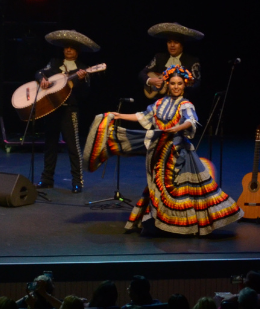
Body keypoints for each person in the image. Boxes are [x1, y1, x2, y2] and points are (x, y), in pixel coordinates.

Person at [85, 65, 242, 236]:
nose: (176, 87)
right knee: (158, 187)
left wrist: (177, 128)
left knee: (177, 189)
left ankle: (182, 226)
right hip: (159, 152)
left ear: (184, 85)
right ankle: (161, 223)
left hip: (178, 153)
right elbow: (143, 116)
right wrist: (120, 116)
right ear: (168, 84)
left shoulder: (185, 104)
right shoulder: (160, 103)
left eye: (179, 84)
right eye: (173, 83)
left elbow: (191, 121)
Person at [35, 29, 99, 192]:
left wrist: (83, 81)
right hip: (51, 109)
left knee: (73, 146)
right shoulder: (55, 62)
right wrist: (42, 79)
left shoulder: (83, 68)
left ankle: (77, 181)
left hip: (69, 110)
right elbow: (40, 72)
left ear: (77, 51)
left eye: (72, 48)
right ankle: (47, 179)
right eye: (66, 47)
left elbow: (85, 94)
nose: (68, 50)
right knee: (50, 145)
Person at [138, 22, 203, 99]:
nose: (172, 45)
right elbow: (142, 74)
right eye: (169, 42)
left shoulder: (192, 60)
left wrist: (181, 85)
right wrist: (150, 80)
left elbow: (196, 83)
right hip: (160, 101)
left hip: (181, 101)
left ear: (182, 45)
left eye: (176, 42)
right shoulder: (159, 57)